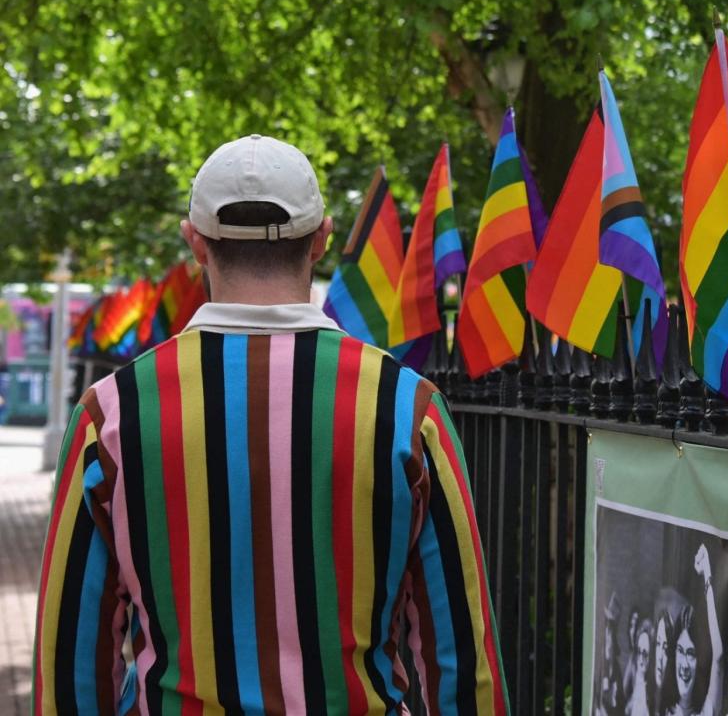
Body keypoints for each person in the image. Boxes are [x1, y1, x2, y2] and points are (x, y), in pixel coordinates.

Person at [32, 135, 508, 714]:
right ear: (323, 240)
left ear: (196, 244)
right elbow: (461, 656)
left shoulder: (110, 414)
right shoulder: (407, 407)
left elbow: (71, 667)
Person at [665, 544, 724, 716]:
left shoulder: (706, 712)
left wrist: (707, 574)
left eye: (691, 653)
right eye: (680, 651)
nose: (684, 664)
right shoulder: (663, 711)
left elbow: (718, 656)